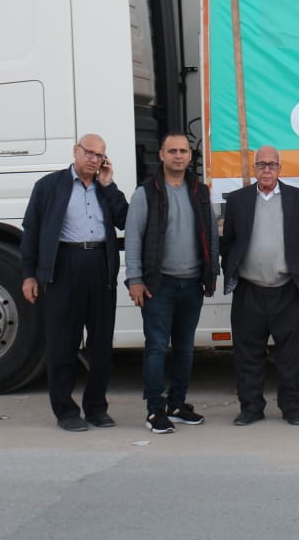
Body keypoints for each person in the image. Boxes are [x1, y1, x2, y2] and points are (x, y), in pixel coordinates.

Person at [20, 134, 129, 432]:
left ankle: (96, 408)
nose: (94, 159)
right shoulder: (49, 186)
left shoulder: (104, 187)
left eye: (99, 155)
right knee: (62, 343)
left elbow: (125, 220)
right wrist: (29, 274)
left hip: (100, 266)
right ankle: (65, 410)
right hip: (64, 266)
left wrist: (109, 185)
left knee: (101, 345)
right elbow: (31, 230)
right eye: (89, 153)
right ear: (76, 151)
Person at [124, 133, 218, 434]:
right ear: (161, 155)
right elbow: (133, 237)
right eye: (172, 151)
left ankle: (177, 405)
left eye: (183, 151)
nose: (178, 156)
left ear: (190, 156)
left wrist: (211, 274)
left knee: (185, 348)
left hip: (192, 284)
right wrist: (135, 280)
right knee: (156, 347)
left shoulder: (200, 191)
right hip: (158, 285)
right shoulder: (146, 193)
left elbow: (211, 235)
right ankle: (155, 410)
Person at [220, 146, 299, 426]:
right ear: (254, 168)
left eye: (272, 165)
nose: (266, 170)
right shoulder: (238, 200)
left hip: (287, 289)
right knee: (247, 354)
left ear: (280, 168)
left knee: (291, 355)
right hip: (249, 290)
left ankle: (292, 407)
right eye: (261, 164)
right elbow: (228, 243)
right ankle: (251, 407)